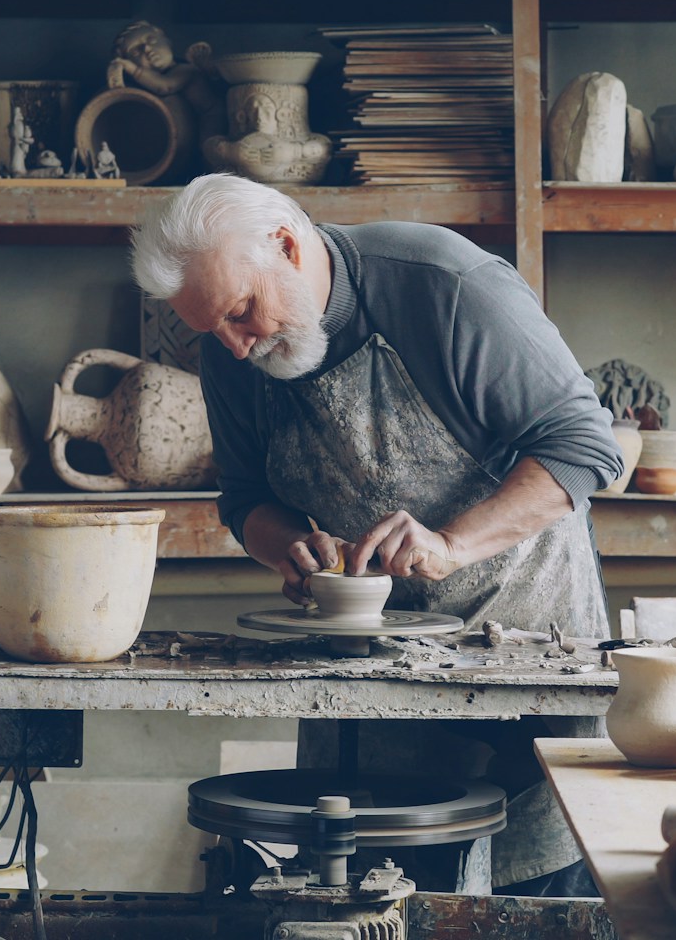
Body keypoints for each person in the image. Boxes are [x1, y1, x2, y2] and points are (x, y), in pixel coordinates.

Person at [132, 173, 624, 896]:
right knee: (367, 896)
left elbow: (586, 445)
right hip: (368, 686)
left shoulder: (446, 287)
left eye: (243, 312)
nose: (235, 347)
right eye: (216, 331)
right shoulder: (232, 357)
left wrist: (452, 544)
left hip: (521, 668)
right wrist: (285, 545)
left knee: (528, 903)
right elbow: (243, 498)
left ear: (288, 247)